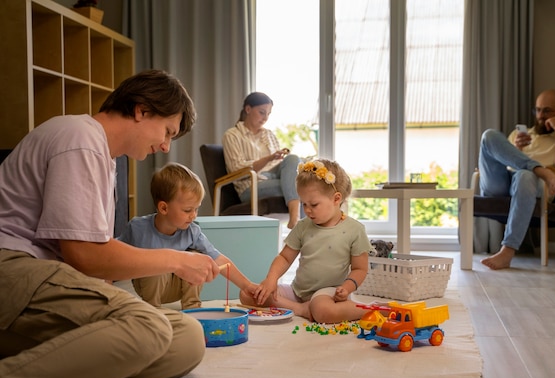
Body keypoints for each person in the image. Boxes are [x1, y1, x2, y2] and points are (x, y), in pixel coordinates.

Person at [0, 70, 218, 378]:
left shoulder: (104, 158)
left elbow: (88, 261)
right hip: (14, 268)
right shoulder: (79, 137)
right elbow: (85, 255)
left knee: (186, 340)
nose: (165, 146)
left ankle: (51, 375)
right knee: (148, 327)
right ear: (141, 111)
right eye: (167, 132)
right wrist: (175, 260)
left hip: (44, 282)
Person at [239, 159, 371, 324]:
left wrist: (347, 288)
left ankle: (369, 308)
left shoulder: (354, 229)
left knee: (323, 310)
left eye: (314, 204)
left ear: (336, 199)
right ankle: (301, 309)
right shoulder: (303, 226)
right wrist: (271, 280)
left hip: (329, 294)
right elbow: (285, 257)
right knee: (248, 294)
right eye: (304, 204)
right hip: (298, 292)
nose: (307, 210)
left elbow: (360, 268)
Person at [118, 162, 259, 310]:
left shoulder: (192, 231)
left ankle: (192, 307)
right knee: (158, 261)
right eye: (187, 210)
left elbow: (219, 259)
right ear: (164, 208)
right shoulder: (137, 228)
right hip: (149, 287)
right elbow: (113, 257)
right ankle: (152, 309)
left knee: (197, 256)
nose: (193, 216)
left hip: (176, 288)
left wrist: (247, 285)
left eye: (196, 209)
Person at [478, 89, 555, 270]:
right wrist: (518, 149)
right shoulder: (519, 135)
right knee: (489, 135)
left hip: (533, 186)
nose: (541, 116)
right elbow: (505, 165)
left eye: (547, 111)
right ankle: (540, 170)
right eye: (538, 110)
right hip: (502, 183)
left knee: (525, 175)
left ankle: (507, 250)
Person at [222, 92, 301, 228]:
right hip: (251, 184)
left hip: (274, 177)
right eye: (262, 112)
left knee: (293, 159)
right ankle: (300, 225)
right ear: (248, 109)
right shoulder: (232, 135)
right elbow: (235, 169)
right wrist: (268, 158)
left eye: (268, 114)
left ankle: (296, 221)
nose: (265, 118)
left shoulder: (268, 134)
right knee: (303, 187)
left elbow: (279, 166)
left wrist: (281, 159)